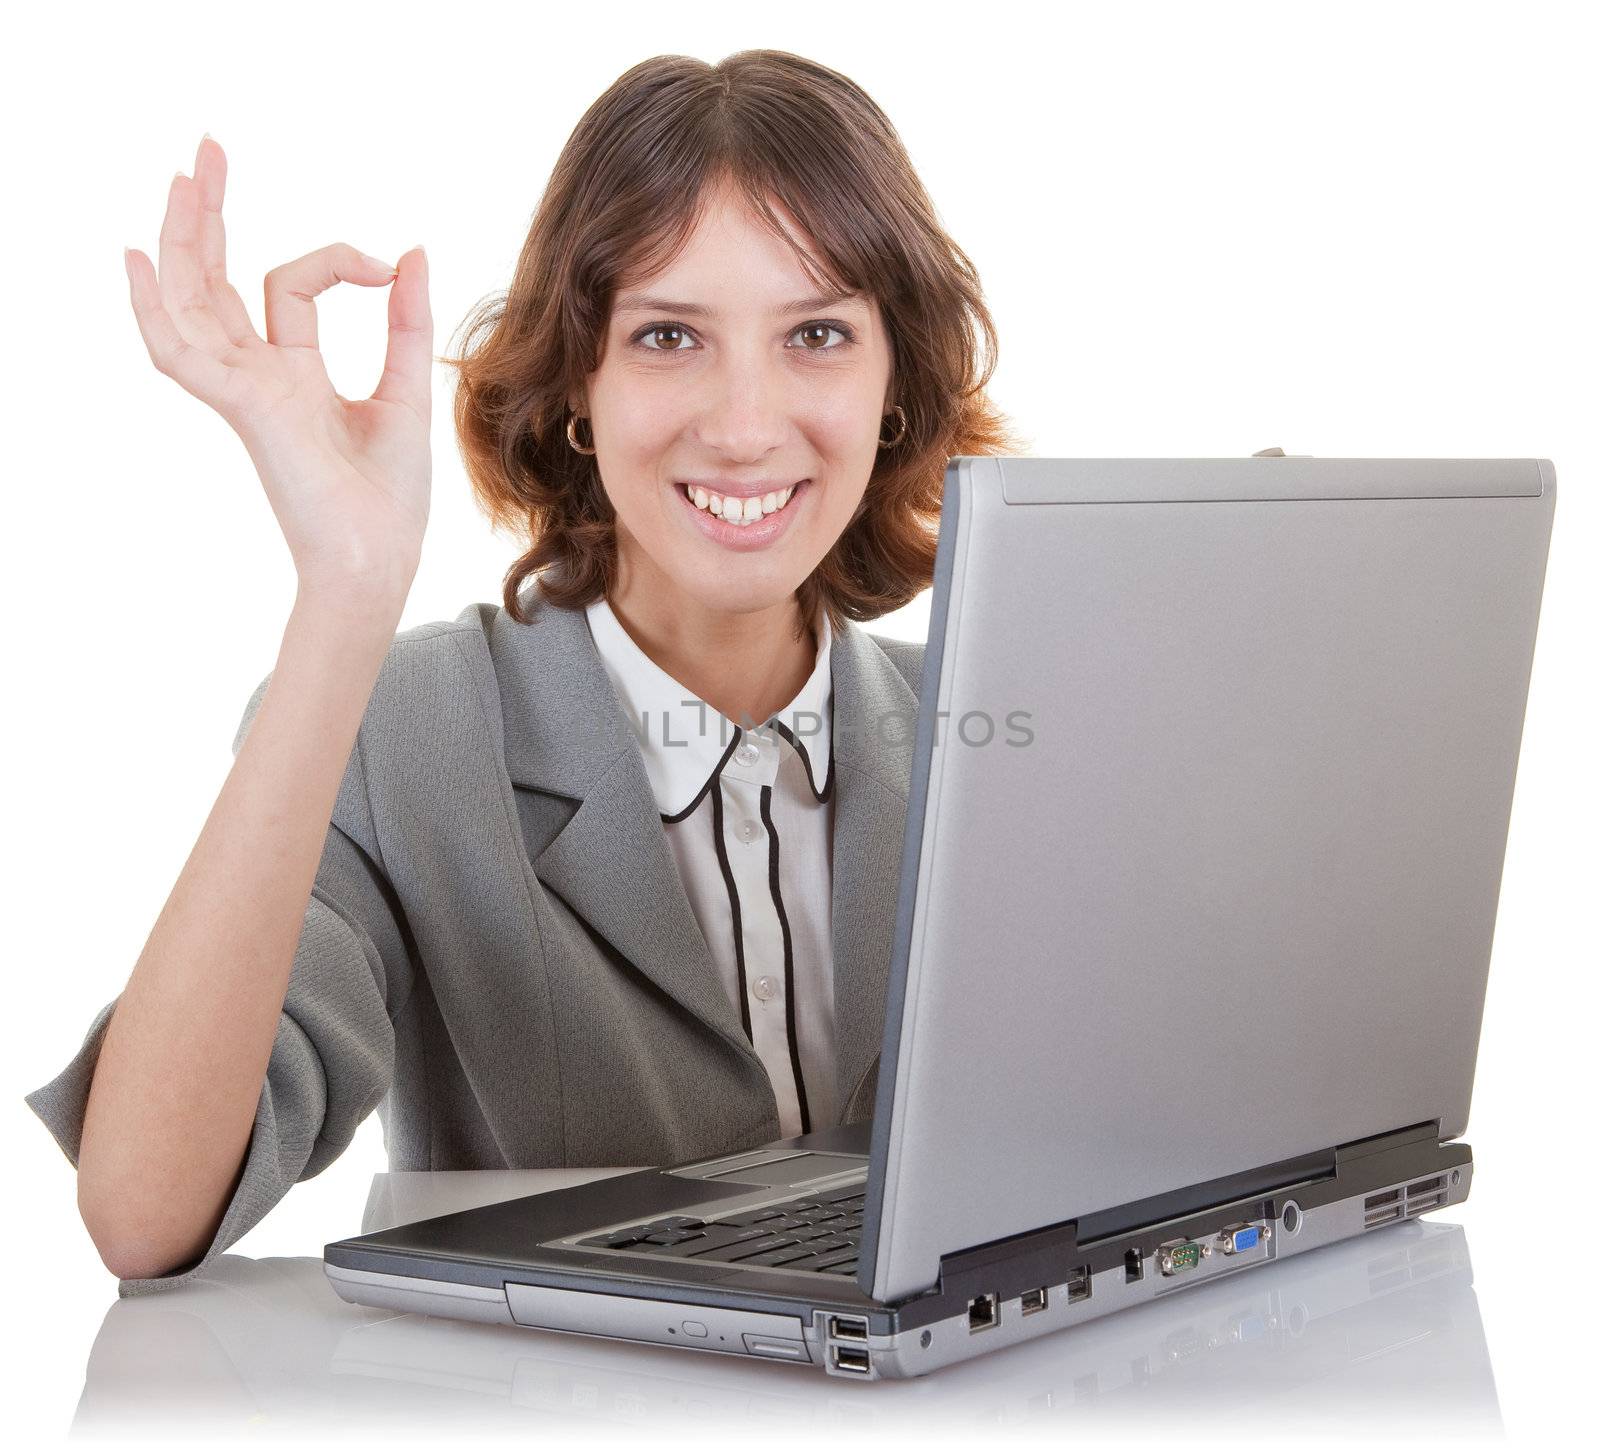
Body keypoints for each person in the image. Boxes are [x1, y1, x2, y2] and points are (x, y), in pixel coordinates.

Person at [25, 49, 1024, 1295]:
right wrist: (345, 589)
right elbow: (142, 1209)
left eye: (817, 333)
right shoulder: (410, 732)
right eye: (669, 335)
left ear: (894, 388)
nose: (747, 421)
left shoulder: (996, 721)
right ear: (577, 391)